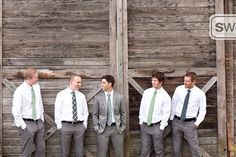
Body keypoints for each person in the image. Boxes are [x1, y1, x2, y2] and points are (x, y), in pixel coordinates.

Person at [171, 72, 206, 157]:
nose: (184, 82)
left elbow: (202, 111)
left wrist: (196, 124)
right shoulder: (179, 89)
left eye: (187, 81)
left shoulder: (200, 94)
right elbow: (174, 103)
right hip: (176, 121)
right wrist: (172, 118)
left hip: (190, 124)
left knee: (194, 147)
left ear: (194, 81)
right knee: (176, 146)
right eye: (184, 80)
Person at [12, 67, 45, 157]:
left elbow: (39, 103)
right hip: (27, 123)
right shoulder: (19, 91)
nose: (38, 79)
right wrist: (23, 126)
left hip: (39, 122)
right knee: (27, 151)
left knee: (41, 149)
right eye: (36, 78)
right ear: (28, 78)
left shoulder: (36, 86)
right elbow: (16, 111)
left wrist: (41, 119)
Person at [54, 74, 89, 157]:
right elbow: (57, 111)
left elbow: (86, 112)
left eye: (80, 82)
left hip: (80, 126)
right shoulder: (61, 94)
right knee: (65, 152)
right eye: (78, 82)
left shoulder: (81, 96)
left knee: (79, 152)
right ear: (71, 82)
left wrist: (84, 125)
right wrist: (59, 126)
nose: (80, 84)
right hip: (65, 126)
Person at [139, 70, 171, 157]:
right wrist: (141, 121)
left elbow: (166, 113)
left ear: (161, 82)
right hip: (145, 126)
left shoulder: (165, 96)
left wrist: (161, 127)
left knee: (158, 150)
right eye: (152, 80)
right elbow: (142, 107)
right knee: (144, 149)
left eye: (155, 80)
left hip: (157, 127)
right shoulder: (147, 92)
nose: (152, 82)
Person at [93, 75, 126, 157]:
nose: (102, 84)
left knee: (119, 153)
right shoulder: (98, 98)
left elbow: (123, 113)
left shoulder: (120, 97)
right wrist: (97, 128)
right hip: (103, 129)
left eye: (104, 83)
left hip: (117, 129)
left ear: (110, 84)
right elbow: (95, 114)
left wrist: (122, 128)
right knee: (101, 154)